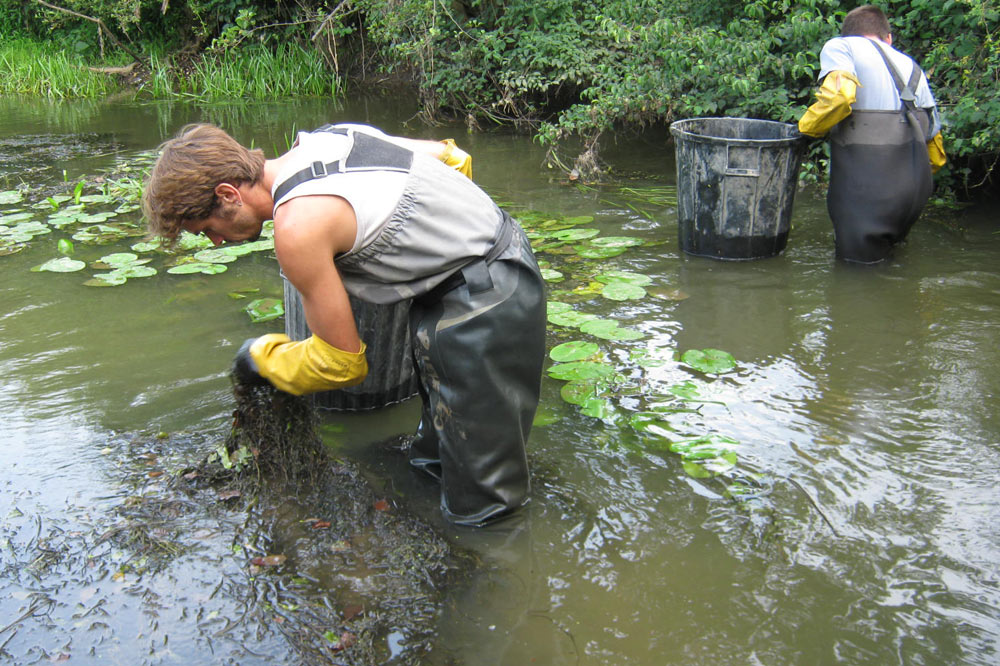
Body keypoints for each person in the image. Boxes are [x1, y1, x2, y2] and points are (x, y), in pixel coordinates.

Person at [142, 122, 547, 527]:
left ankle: (495, 571)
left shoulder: (297, 226)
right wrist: (433, 240)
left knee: (483, 505)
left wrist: (261, 359)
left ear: (228, 195)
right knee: (433, 458)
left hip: (487, 302)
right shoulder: (327, 138)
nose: (214, 242)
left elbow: (342, 363)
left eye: (208, 229)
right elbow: (451, 157)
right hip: (461, 285)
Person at [798, 4, 947, 263]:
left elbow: (840, 98)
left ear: (848, 34)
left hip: (869, 194)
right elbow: (935, 149)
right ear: (888, 38)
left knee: (855, 278)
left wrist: (804, 131)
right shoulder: (912, 67)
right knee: (891, 268)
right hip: (914, 192)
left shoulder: (841, 47)